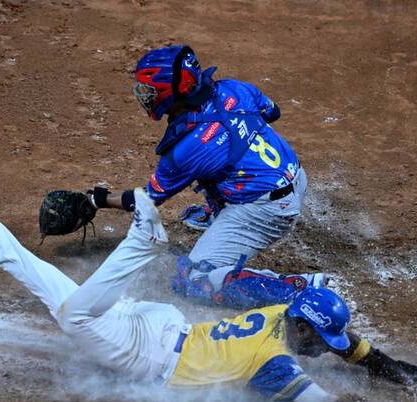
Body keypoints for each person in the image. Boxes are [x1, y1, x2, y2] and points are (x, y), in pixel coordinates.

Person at [0, 188, 417, 402]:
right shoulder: (273, 364)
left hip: (159, 327)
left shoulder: (286, 310)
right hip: (144, 354)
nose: (320, 352)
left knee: (70, 302)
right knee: (75, 315)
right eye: (317, 342)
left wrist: (410, 376)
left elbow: (357, 350)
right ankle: (139, 243)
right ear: (304, 325)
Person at [85, 45, 323, 310]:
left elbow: (145, 200)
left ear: (168, 92)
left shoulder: (186, 149)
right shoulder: (234, 88)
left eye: (149, 88)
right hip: (296, 177)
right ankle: (221, 210)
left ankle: (297, 289)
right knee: (230, 162)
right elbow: (272, 112)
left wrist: (97, 200)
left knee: (194, 281)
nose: (144, 94)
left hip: (267, 211)